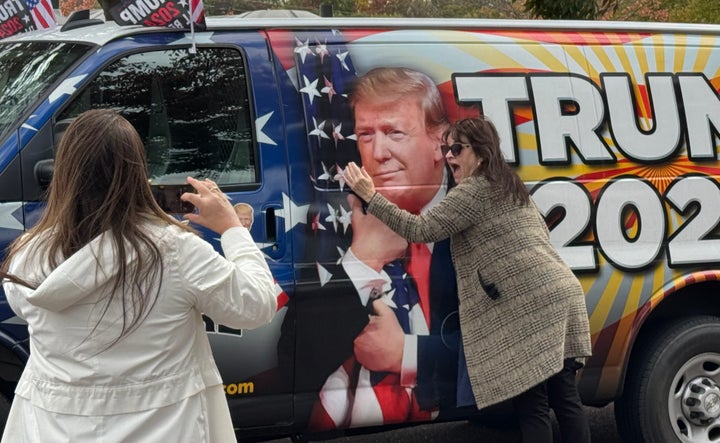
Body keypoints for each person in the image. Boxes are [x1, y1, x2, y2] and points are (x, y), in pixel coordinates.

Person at [0, 109, 277, 443]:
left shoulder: (26, 257)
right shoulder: (175, 251)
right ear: (137, 173)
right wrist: (232, 228)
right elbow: (256, 305)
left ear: (64, 173)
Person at [343, 116, 593, 443]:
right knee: (564, 399)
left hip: (531, 311)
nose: (448, 156)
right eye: (447, 148)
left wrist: (371, 197)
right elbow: (542, 235)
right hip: (561, 296)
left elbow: (419, 230)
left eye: (457, 148)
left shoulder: (474, 191)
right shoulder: (509, 184)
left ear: (481, 153)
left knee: (533, 406)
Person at [283, 67, 460, 430]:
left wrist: (409, 355)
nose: (378, 153)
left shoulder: (474, 210)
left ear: (439, 142)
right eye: (366, 134)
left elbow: (512, 336)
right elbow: (294, 364)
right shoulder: (333, 218)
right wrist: (362, 260)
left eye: (394, 132)